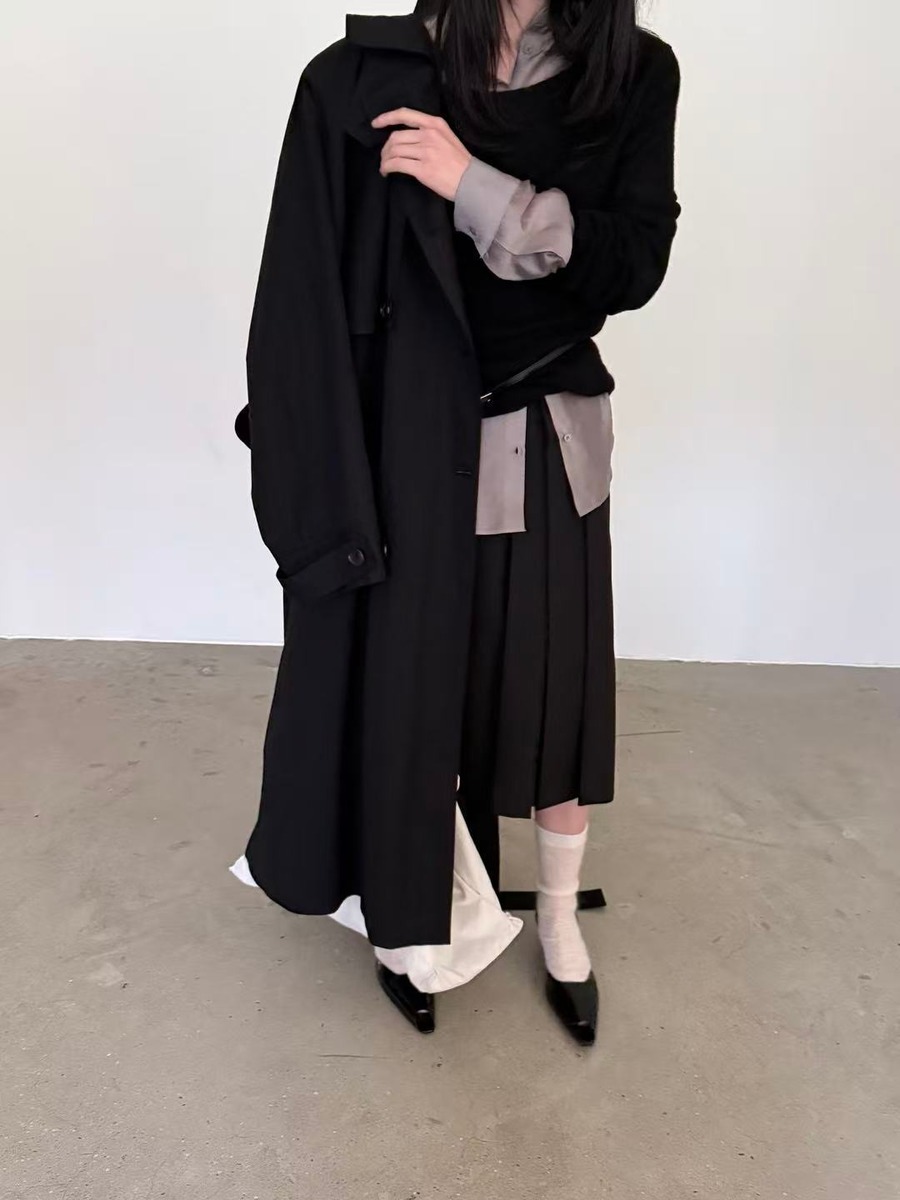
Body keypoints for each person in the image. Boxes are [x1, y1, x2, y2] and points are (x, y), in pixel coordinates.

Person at [232, 0, 680, 1047]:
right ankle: (411, 914)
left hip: (547, 435)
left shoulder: (633, 72)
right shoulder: (372, 77)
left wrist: (471, 184)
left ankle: (559, 922)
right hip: (404, 447)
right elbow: (305, 291)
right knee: (414, 696)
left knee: (557, 698)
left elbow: (634, 264)